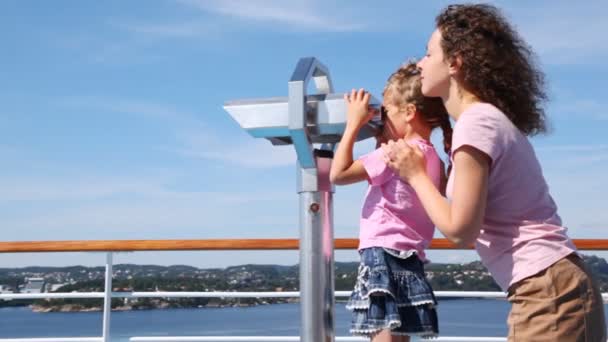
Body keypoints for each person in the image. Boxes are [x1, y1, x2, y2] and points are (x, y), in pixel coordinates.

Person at [382, 4, 606, 341]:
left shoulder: (476, 123)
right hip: (551, 286)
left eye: (429, 54)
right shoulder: (483, 120)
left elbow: (460, 230)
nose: (420, 63)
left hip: (547, 292)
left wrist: (415, 175)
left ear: (455, 62)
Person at [330, 61, 452, 341]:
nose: (382, 118)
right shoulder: (433, 158)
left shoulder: (398, 152)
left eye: (387, 111)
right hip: (411, 258)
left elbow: (339, 174)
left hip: (383, 254)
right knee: (399, 335)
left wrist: (352, 125)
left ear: (409, 112)